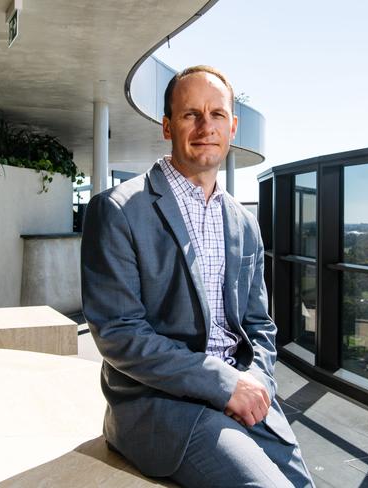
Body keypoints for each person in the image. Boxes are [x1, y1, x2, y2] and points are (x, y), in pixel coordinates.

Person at [81, 65, 314, 487]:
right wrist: (224, 384)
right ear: (167, 125)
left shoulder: (244, 222)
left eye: (217, 115)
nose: (205, 126)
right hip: (163, 405)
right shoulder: (117, 210)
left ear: (233, 126)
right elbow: (119, 333)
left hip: (242, 392)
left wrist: (256, 384)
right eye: (191, 115)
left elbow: (259, 325)